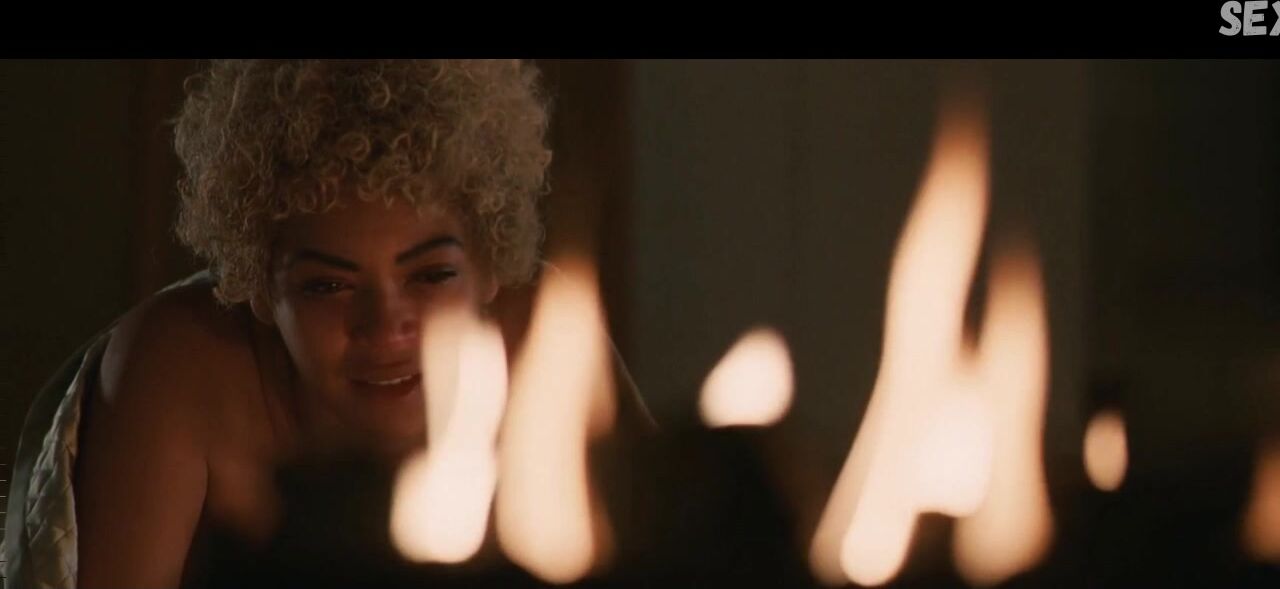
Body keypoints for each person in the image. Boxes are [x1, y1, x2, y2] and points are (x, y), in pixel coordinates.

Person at [2, 59, 652, 589]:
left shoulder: (549, 347)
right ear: (260, 288)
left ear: (491, 266)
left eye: (431, 275)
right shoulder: (179, 367)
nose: (386, 327)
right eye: (328, 286)